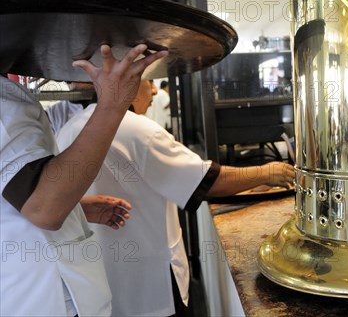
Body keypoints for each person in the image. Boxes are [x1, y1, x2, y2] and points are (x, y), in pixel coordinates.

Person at [55, 79, 296, 317]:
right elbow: (206, 181)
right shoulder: (135, 128)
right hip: (150, 284)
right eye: (146, 79)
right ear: (125, 79)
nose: (152, 89)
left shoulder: (68, 130)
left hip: (98, 288)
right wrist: (267, 172)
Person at [1, 44, 167, 316]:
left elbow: (20, 196)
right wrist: (113, 104)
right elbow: (44, 209)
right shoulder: (3, 104)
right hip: (42, 301)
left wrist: (74, 208)